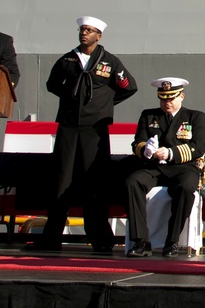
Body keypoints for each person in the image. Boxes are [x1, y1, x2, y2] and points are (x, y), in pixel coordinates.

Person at [27, 16, 137, 254]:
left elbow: (129, 86)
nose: (84, 34)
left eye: (89, 31)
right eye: (82, 30)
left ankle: (100, 238)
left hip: (95, 130)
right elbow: (52, 84)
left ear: (99, 36)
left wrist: (103, 103)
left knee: (95, 181)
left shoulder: (109, 61)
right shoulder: (68, 59)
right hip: (68, 126)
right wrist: (71, 100)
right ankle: (51, 237)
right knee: (61, 180)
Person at [125, 77, 205, 258]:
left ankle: (172, 241)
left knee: (186, 188)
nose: (167, 102)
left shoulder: (194, 117)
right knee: (133, 182)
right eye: (163, 98)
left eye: (171, 98)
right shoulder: (148, 115)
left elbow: (198, 146)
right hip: (154, 167)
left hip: (183, 167)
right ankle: (140, 240)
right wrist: (145, 150)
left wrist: (170, 153)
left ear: (182, 96)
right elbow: (137, 143)